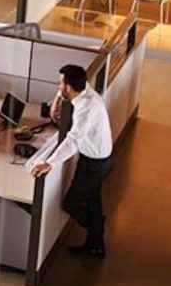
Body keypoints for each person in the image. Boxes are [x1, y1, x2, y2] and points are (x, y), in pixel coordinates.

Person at [29, 65, 113, 259]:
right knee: (93, 202)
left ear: (69, 87)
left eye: (60, 83)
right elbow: (67, 90)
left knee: (71, 204)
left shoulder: (87, 108)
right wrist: (57, 100)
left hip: (95, 164)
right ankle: (96, 246)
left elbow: (73, 140)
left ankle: (97, 229)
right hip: (95, 159)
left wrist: (49, 163)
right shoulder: (84, 90)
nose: (58, 86)